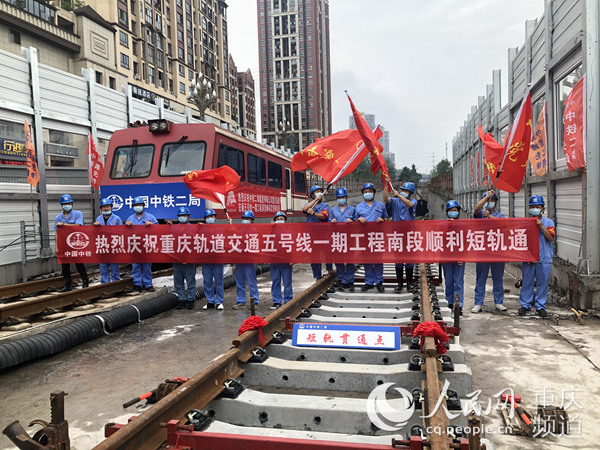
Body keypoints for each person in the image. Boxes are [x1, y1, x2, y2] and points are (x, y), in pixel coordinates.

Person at [519, 195, 555, 317]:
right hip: (529, 258)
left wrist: (541, 227)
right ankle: (525, 304)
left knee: (543, 283)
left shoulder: (549, 222)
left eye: (537, 207)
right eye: (532, 207)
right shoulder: (526, 223)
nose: (535, 209)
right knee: (527, 282)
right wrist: (526, 256)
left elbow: (550, 238)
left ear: (542, 209)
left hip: (544, 257)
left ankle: (540, 306)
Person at [472, 190, 507, 313]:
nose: (490, 202)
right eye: (488, 200)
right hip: (483, 251)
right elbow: (476, 208)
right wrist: (487, 197)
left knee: (498, 278)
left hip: (497, 251)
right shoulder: (480, 214)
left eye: (492, 200)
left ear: (496, 203)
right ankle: (478, 303)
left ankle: (499, 302)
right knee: (481, 278)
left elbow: (503, 225)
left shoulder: (500, 216)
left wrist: (490, 217)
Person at [384, 181, 417, 293]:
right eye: (403, 190)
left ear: (410, 193)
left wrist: (398, 195)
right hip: (397, 234)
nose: (404, 192)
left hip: (409, 234)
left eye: (406, 191)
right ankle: (399, 284)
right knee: (398, 259)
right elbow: (386, 198)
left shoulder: (413, 201)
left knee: (409, 259)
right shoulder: (395, 201)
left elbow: (410, 205)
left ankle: (409, 283)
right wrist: (386, 185)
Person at [356, 182, 388, 292]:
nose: (368, 193)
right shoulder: (359, 207)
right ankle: (369, 282)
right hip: (364, 237)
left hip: (377, 237)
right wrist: (358, 219)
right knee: (367, 260)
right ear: (363, 194)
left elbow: (386, 218)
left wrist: (382, 220)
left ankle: (379, 281)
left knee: (378, 259)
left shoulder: (380, 205)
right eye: (365, 192)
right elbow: (353, 220)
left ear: (374, 193)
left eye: (370, 191)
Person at [54, 194, 89, 292]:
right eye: (65, 204)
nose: (67, 205)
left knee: (79, 263)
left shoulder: (77, 214)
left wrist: (63, 225)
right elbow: (56, 233)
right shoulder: (58, 217)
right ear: (61, 205)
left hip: (76, 242)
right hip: (63, 244)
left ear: (72, 204)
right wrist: (56, 247)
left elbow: (78, 226)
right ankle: (68, 284)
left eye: (69, 203)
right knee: (65, 265)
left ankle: (85, 282)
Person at [125, 196, 158, 292]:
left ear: (143, 206)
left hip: (147, 245)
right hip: (135, 245)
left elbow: (159, 230)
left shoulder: (150, 217)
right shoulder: (130, 218)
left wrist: (152, 225)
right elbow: (124, 232)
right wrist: (127, 226)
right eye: (135, 205)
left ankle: (148, 284)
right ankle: (137, 284)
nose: (137, 207)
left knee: (147, 265)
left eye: (139, 205)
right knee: (136, 265)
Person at [329, 187, 357, 291]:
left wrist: (352, 222)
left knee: (350, 259)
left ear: (346, 197)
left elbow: (357, 222)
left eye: (343, 197)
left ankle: (350, 280)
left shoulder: (352, 209)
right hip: (338, 238)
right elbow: (329, 224)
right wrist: (332, 223)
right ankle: (341, 280)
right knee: (339, 260)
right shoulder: (333, 210)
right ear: (337, 198)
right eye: (339, 197)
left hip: (349, 238)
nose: (341, 199)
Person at [303, 185, 333, 280]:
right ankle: (317, 275)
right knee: (314, 255)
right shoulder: (309, 205)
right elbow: (305, 209)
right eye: (317, 192)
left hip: (323, 233)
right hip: (312, 234)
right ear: (312, 195)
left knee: (327, 252)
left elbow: (324, 216)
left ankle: (329, 268)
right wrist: (315, 200)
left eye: (320, 191)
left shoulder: (325, 206)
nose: (319, 193)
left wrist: (313, 213)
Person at [441, 200, 465, 315]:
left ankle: (458, 305)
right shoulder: (443, 224)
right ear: (447, 212)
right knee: (449, 280)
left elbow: (466, 241)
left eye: (455, 210)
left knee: (458, 282)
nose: (453, 212)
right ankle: (449, 302)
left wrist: (463, 256)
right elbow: (441, 238)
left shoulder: (462, 225)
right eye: (451, 210)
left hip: (459, 257)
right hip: (446, 257)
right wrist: (449, 226)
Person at [171, 207, 197, 310]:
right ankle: (181, 299)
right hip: (177, 259)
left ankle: (191, 299)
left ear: (188, 217)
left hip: (189, 260)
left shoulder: (194, 228)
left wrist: (190, 258)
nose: (182, 217)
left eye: (184, 215)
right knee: (178, 281)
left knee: (190, 281)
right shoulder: (174, 228)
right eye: (180, 216)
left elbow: (196, 244)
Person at [233, 210, 260, 310]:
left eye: (248, 219)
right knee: (239, 281)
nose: (245, 220)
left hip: (249, 260)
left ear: (252, 220)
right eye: (244, 218)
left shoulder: (254, 231)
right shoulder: (239, 229)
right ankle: (241, 301)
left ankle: (255, 301)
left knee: (251, 281)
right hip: (239, 260)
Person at [93, 198, 122, 284]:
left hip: (113, 246)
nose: (106, 208)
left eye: (108, 206)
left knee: (114, 267)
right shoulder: (98, 219)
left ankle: (116, 283)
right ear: (101, 208)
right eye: (104, 207)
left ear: (111, 207)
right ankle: (105, 284)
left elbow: (121, 232)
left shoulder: (117, 218)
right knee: (103, 267)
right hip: (102, 245)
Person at [202, 208, 225, 311]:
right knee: (207, 281)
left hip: (217, 259)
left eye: (211, 216)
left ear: (215, 218)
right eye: (208, 217)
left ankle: (219, 301)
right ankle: (210, 301)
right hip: (206, 259)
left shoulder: (220, 229)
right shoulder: (202, 229)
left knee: (219, 280)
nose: (210, 218)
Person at [270, 211, 294, 309]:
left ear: (285, 221)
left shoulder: (290, 233)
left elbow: (294, 247)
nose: (280, 220)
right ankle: (277, 301)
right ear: (274, 221)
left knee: (287, 281)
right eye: (278, 219)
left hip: (286, 262)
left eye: (282, 219)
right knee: (275, 281)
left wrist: (293, 259)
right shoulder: (270, 233)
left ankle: (288, 300)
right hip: (274, 262)